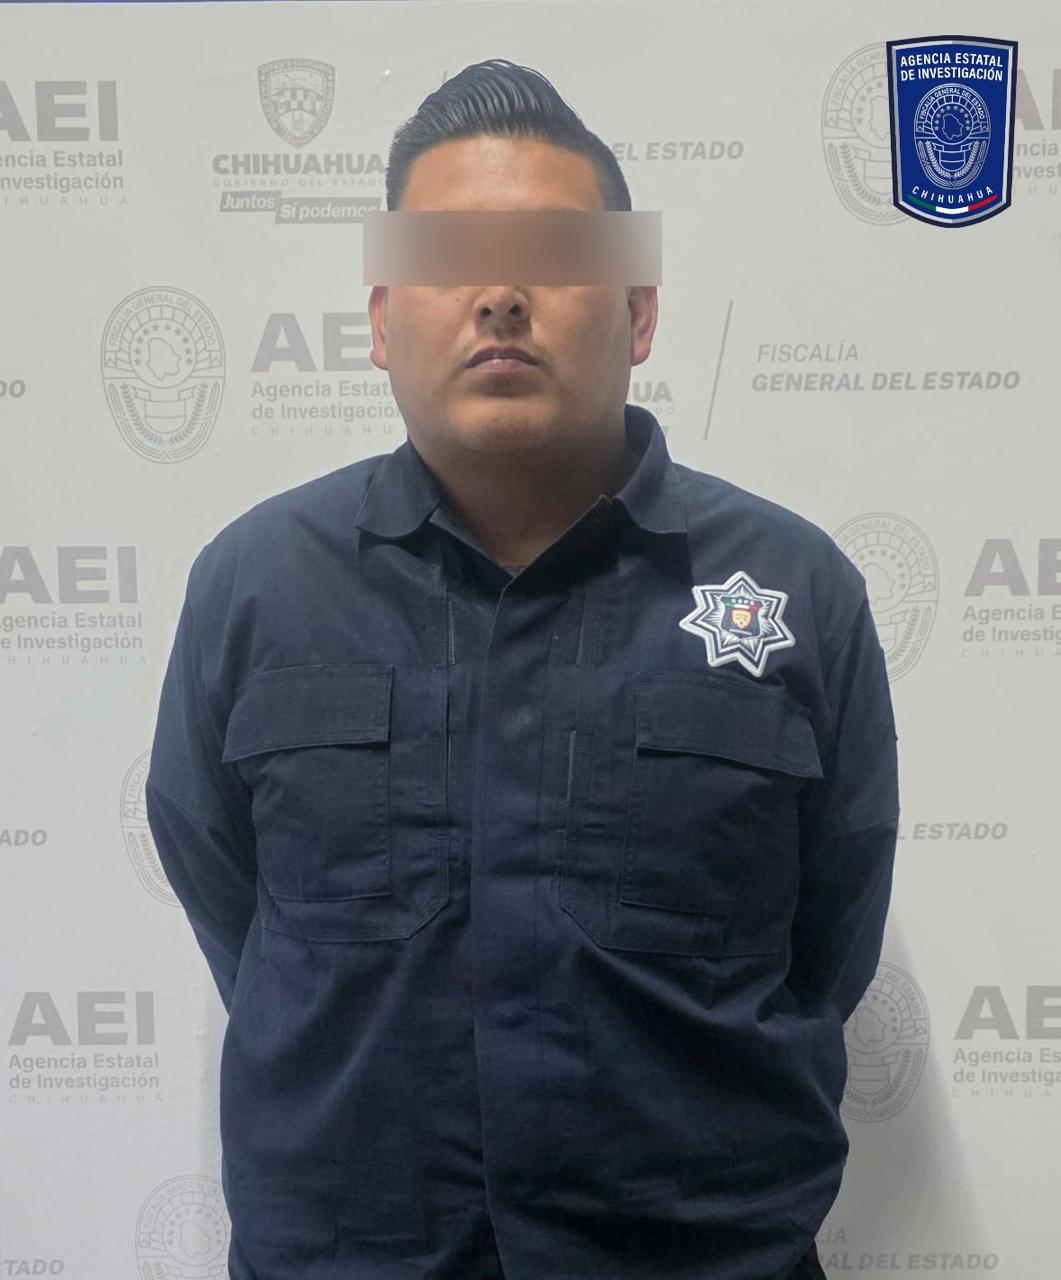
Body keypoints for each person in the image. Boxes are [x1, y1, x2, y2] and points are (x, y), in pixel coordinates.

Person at [146, 58, 899, 1280]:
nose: (498, 294)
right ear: (380, 319)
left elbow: (829, 936)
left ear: (638, 312)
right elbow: (227, 892)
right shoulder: (256, 586)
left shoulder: (795, 588)